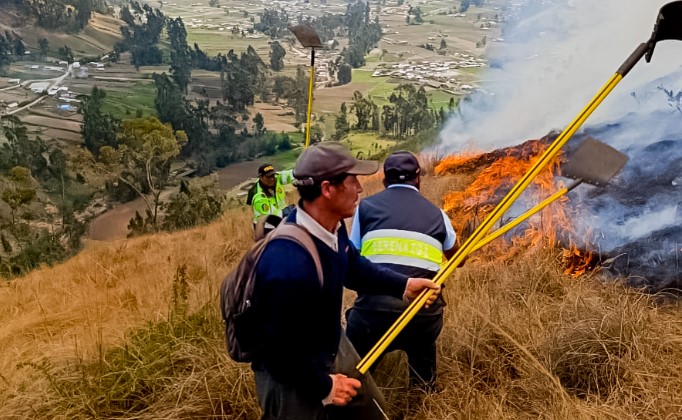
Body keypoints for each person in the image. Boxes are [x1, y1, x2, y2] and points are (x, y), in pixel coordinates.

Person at [251, 142, 441, 419]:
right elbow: (277, 349)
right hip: (289, 371)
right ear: (328, 189)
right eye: (352, 181)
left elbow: (354, 267)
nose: (360, 189)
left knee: (372, 411)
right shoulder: (288, 260)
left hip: (328, 343)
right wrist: (324, 386)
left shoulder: (332, 226)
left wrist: (404, 285)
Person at [347, 150, 458, 391]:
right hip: (422, 314)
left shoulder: (365, 208)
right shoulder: (438, 215)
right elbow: (458, 258)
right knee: (423, 348)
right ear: (418, 177)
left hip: (372, 313)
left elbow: (351, 256)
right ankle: (423, 393)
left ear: (385, 180)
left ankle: (356, 392)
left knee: (356, 373)